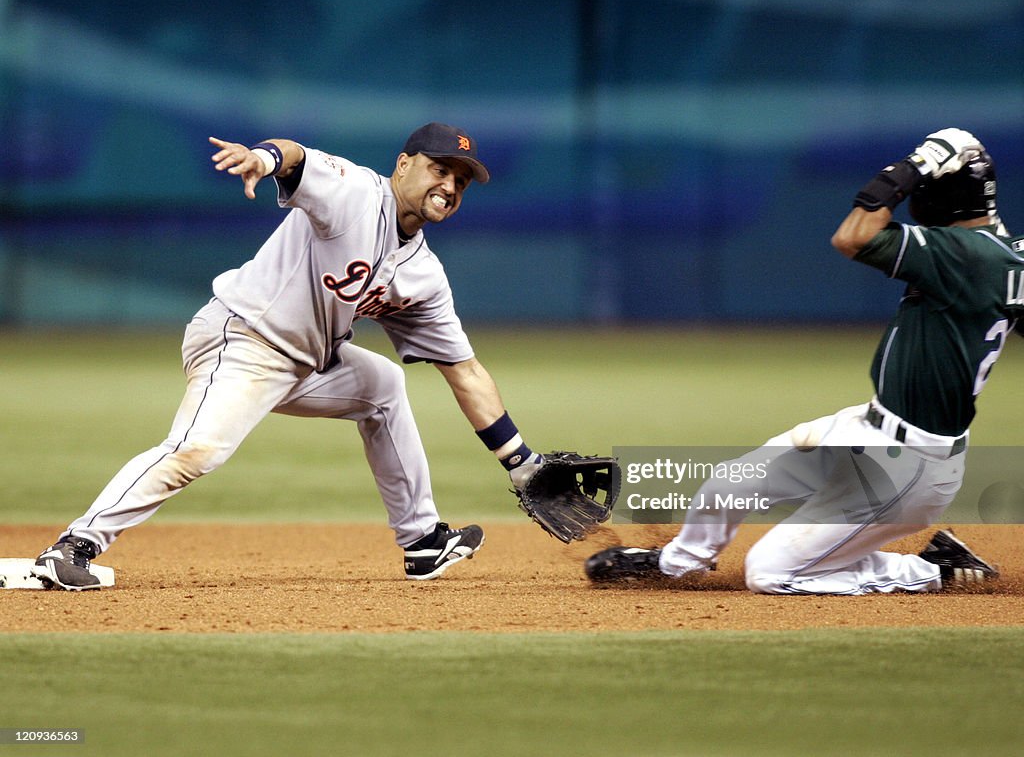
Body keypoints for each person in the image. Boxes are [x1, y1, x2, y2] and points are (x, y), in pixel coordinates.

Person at [33, 122, 545, 590]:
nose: (451, 187)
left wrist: (522, 464)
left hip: (307, 363)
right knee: (199, 450)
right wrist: (262, 158)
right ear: (404, 164)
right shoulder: (356, 194)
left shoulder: (424, 276)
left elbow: (466, 373)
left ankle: (422, 542)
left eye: (461, 180)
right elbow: (296, 157)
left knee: (384, 386)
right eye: (440, 170)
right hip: (243, 339)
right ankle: (73, 547)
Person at [587, 128, 1014, 594]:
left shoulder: (967, 255)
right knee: (733, 481)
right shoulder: (1001, 258)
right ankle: (676, 563)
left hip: (910, 469)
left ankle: (936, 569)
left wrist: (909, 169)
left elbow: (853, 236)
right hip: (870, 428)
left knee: (770, 573)